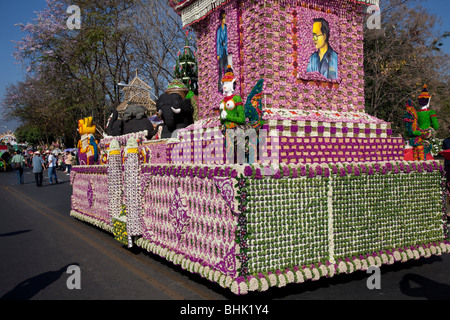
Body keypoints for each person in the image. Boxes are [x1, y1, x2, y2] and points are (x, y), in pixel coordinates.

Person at [217, 9, 229, 93]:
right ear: (221, 19)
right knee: (221, 70)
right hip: (220, 52)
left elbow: (227, 39)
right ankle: (220, 87)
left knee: (226, 69)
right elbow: (218, 42)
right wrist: (218, 53)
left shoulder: (226, 28)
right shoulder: (219, 30)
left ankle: (226, 86)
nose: (225, 20)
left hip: (225, 51)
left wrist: (225, 44)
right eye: (224, 18)